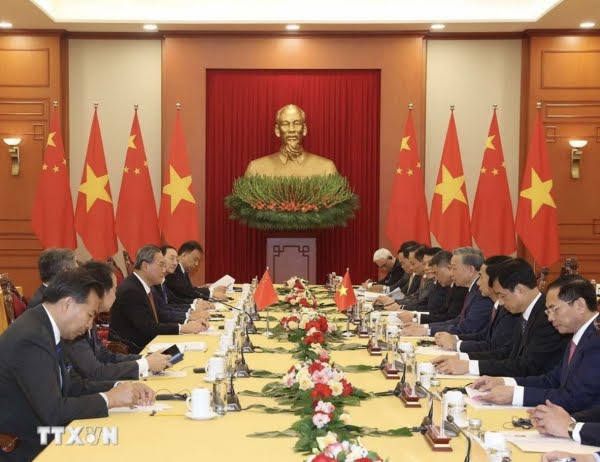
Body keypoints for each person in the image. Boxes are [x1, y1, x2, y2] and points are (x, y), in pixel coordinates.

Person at [0, 268, 155, 460]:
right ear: (68, 304)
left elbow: (73, 385)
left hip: (48, 430)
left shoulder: (45, 326)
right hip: (29, 443)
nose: (90, 325)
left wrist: (120, 387)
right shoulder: (32, 338)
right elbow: (54, 412)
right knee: (125, 443)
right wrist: (110, 399)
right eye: (89, 315)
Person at [472, 275, 600, 412]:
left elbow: (576, 398)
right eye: (548, 311)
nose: (550, 318)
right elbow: (551, 380)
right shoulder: (580, 334)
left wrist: (516, 395)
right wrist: (504, 382)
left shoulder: (596, 340)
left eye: (555, 309)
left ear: (580, 305)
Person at [434, 258, 568, 378]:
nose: (501, 303)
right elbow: (507, 352)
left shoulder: (547, 317)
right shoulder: (526, 311)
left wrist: (470, 366)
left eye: (503, 296)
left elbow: (528, 367)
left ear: (520, 290)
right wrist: (463, 359)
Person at [63, 261, 171, 380]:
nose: (116, 295)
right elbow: (95, 372)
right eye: (115, 290)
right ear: (100, 292)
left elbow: (104, 355)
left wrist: (145, 359)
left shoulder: (90, 319)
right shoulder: (76, 325)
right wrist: (145, 364)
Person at [109, 245, 209, 354]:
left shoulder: (144, 285)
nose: (164, 269)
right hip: (134, 351)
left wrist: (188, 322)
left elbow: (159, 315)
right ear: (145, 266)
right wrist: (183, 328)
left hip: (150, 342)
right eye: (161, 265)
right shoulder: (131, 291)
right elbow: (149, 328)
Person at [432, 256, 521, 371]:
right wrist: (455, 340)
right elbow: (484, 336)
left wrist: (457, 347)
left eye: (481, 277)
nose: (478, 283)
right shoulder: (500, 306)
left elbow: (498, 350)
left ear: (496, 282)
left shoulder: (510, 310)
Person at [402, 247, 493, 337]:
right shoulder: (472, 289)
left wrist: (427, 331)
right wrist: (425, 327)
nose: (451, 273)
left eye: (454, 268)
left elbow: (467, 328)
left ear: (470, 270)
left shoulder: (481, 293)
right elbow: (458, 320)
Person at [244, 104, 338, 177]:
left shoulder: (326, 168)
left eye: (297, 123)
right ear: (277, 130)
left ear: (304, 129)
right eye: (285, 124)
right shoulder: (256, 169)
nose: (291, 129)